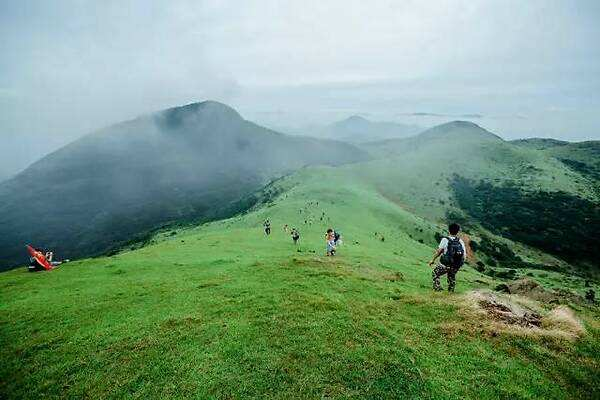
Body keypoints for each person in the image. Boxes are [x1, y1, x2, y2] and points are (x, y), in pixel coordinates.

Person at [428, 223, 467, 292]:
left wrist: (433, 260)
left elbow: (439, 251)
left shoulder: (445, 240)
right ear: (457, 232)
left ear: (449, 230)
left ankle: (437, 290)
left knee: (435, 273)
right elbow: (464, 255)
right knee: (451, 277)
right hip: (455, 266)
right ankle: (451, 292)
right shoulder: (460, 241)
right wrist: (459, 265)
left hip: (446, 265)